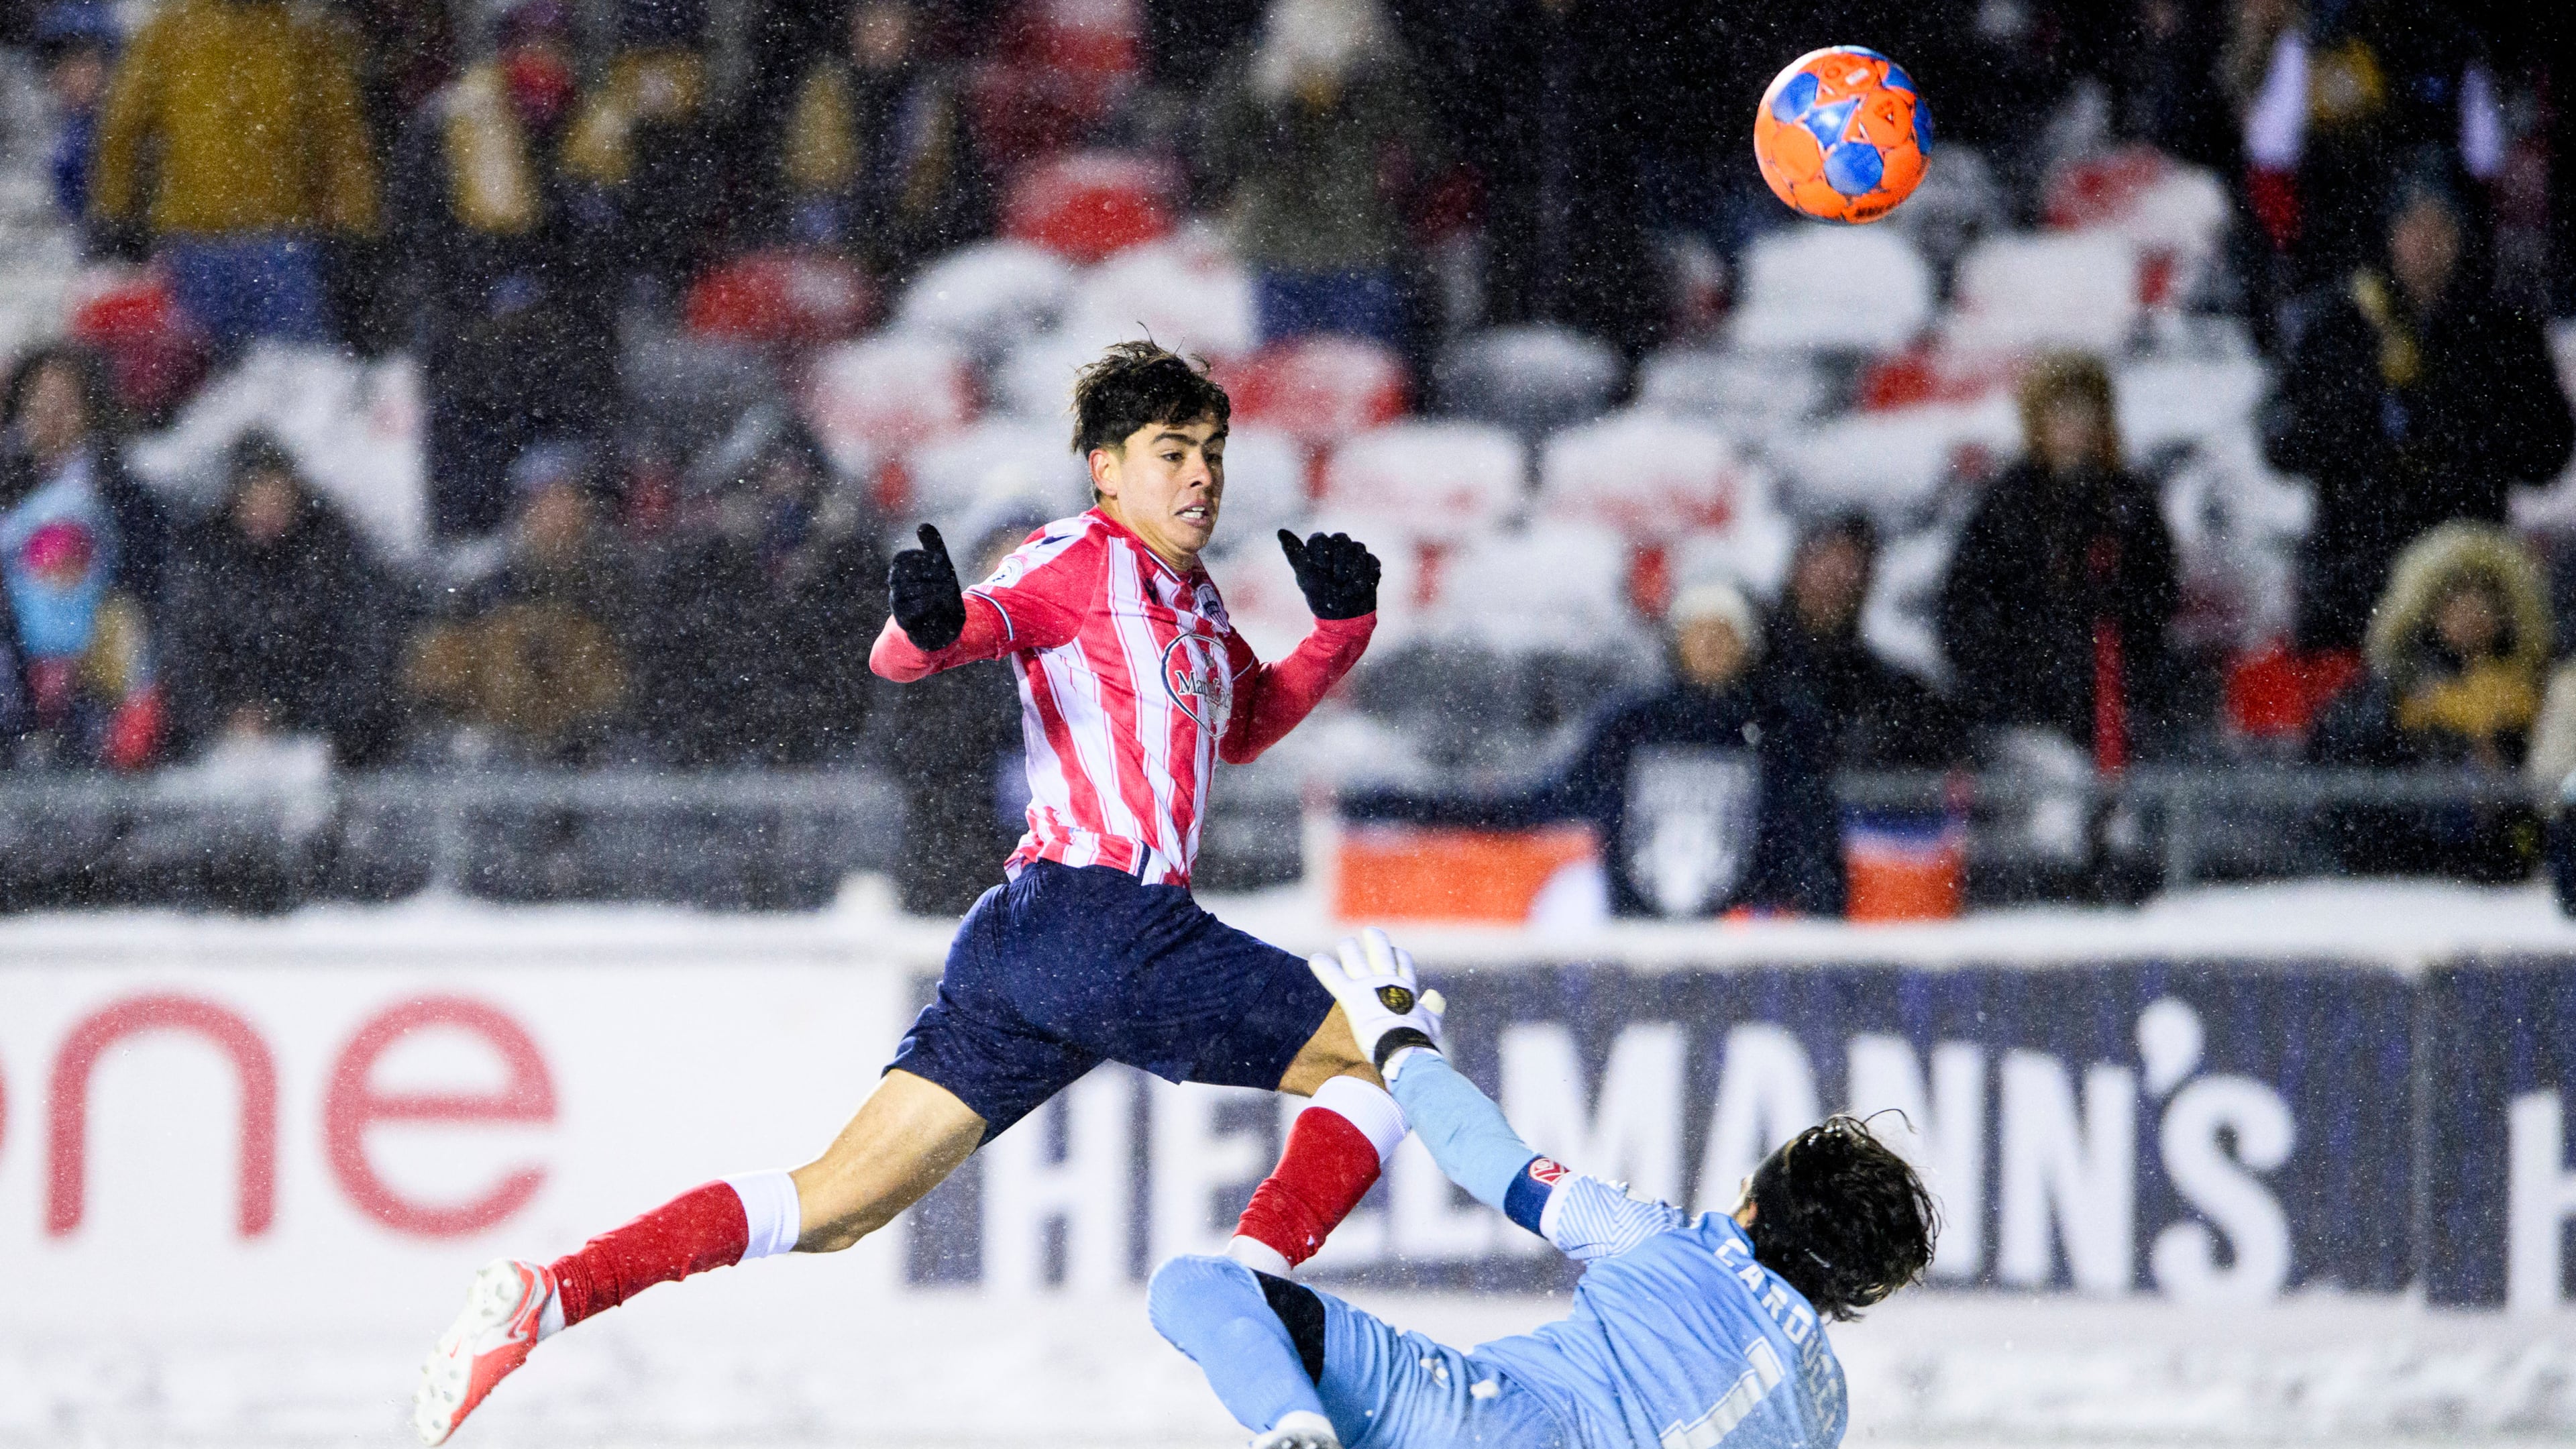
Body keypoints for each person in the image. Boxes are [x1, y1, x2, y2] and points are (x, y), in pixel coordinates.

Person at [413, 343, 1402, 1444]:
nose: (1202, 477)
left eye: (1213, 453)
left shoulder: (1193, 598)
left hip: (1027, 943)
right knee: (1391, 1053)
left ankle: (554, 1292)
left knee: (835, 1205)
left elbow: (1245, 727)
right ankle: (1248, 1304)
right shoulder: (1074, 559)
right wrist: (926, 627)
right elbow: (924, 648)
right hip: (1110, 921)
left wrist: (1336, 636)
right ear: (1105, 469)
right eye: (1173, 453)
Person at [1152, 930, 1937, 1449]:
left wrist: (1399, 1043)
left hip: (1485, 1422)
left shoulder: (1667, 1239)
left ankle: (1290, 1413)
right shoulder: (1823, 1414)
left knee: (1196, 1288)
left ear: (1753, 1207)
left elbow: (1482, 1156)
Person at [1346, 579, 1846, 919]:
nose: (1712, 644)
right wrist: (1394, 804)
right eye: (1700, 629)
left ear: (1749, 642)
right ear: (1677, 638)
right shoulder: (1633, 725)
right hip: (1633, 956)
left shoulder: (1782, 730)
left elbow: (1814, 850)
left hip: (1743, 962)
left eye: (1725, 631)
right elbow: (1531, 805)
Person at [2264, 179, 2573, 652]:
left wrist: (2452, 405)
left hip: (2467, 567)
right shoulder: (2336, 324)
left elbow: (2547, 455)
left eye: (2441, 227)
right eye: (2413, 226)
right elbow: (2282, 444)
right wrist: (2368, 400)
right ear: (2389, 233)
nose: (2426, 245)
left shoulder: (2502, 331)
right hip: (2356, 566)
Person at [389, 0, 620, 541]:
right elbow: (416, 230)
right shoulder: (448, 123)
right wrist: (477, 290)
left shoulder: (598, 124)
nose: (540, 58)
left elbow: (625, 241)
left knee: (572, 511)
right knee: (471, 515)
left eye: (553, 46)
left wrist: (561, 281)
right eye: (527, 44)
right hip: (473, 350)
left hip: (569, 356)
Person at [88, 0, 378, 355]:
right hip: (199, 242)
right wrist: (115, 213)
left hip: (283, 242)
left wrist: (355, 223)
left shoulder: (301, 32)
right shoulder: (172, 30)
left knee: (297, 373)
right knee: (201, 377)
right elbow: (124, 128)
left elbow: (339, 134)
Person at [1939, 353, 2179, 771]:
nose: (2075, 423)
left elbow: (2156, 603)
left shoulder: (2129, 504)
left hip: (2114, 709)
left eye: (2086, 408)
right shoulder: (2004, 506)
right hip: (2022, 718)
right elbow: (1966, 611)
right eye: (2060, 408)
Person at [631, 421, 885, 765]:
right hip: (717, 742)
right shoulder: (705, 559)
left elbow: (865, 653)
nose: (786, 488)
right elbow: (672, 650)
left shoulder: (854, 558)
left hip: (826, 739)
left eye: (799, 473)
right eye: (774, 473)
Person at [1199, 0, 1445, 349]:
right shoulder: (1260, 63)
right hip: (1284, 252)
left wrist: (1359, 80)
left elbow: (1423, 145)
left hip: (1360, 253)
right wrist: (1277, 95)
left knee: (1363, 374)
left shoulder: (1382, 65)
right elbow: (1224, 147)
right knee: (1288, 379)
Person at [2311, 522, 2548, 881]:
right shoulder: (2391, 688)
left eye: (2485, 596)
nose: (2472, 611)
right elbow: (2346, 779)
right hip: (2401, 873)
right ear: (2427, 608)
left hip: (2509, 869)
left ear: (2507, 610)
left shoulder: (2537, 687)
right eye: (2455, 597)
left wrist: (2498, 744)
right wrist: (2412, 720)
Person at [162, 430, 403, 766]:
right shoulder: (205, 558)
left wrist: (287, 716)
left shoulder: (333, 551)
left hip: (328, 745)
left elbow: (364, 659)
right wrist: (224, 717)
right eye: (255, 495)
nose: (267, 509)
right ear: (235, 499)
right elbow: (185, 658)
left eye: (277, 494)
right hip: (224, 743)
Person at [402, 443, 636, 763]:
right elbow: (433, 675)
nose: (556, 516)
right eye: (543, 502)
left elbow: (627, 681)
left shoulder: (622, 584)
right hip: (499, 753)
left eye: (565, 499)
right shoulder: (483, 589)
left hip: (602, 752)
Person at [0, 345, 170, 769]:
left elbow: (147, 575)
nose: (51, 414)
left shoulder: (119, 487)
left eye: (64, 400)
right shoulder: (8, 481)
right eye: (40, 401)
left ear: (88, 408)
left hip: (98, 648)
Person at [879, 511, 1044, 916]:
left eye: (1029, 554)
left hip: (1061, 881)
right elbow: (906, 749)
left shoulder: (1084, 649)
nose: (1017, 567)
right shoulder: (947, 645)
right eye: (1004, 555)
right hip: (954, 872)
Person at [774, 0, 991, 280]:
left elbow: (940, 180)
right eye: (871, 22)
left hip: (912, 243)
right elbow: (816, 178)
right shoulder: (827, 88)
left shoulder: (928, 94)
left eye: (891, 23)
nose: (881, 34)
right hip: (833, 244)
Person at [1761, 514, 1964, 769]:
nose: (1835, 582)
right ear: (1798, 568)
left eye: (1849, 569)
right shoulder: (1746, 664)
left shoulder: (1889, 691)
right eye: (1827, 564)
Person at [32, 0, 117, 229]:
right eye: (58, 65)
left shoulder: (121, 133)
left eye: (81, 62)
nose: (67, 76)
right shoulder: (65, 134)